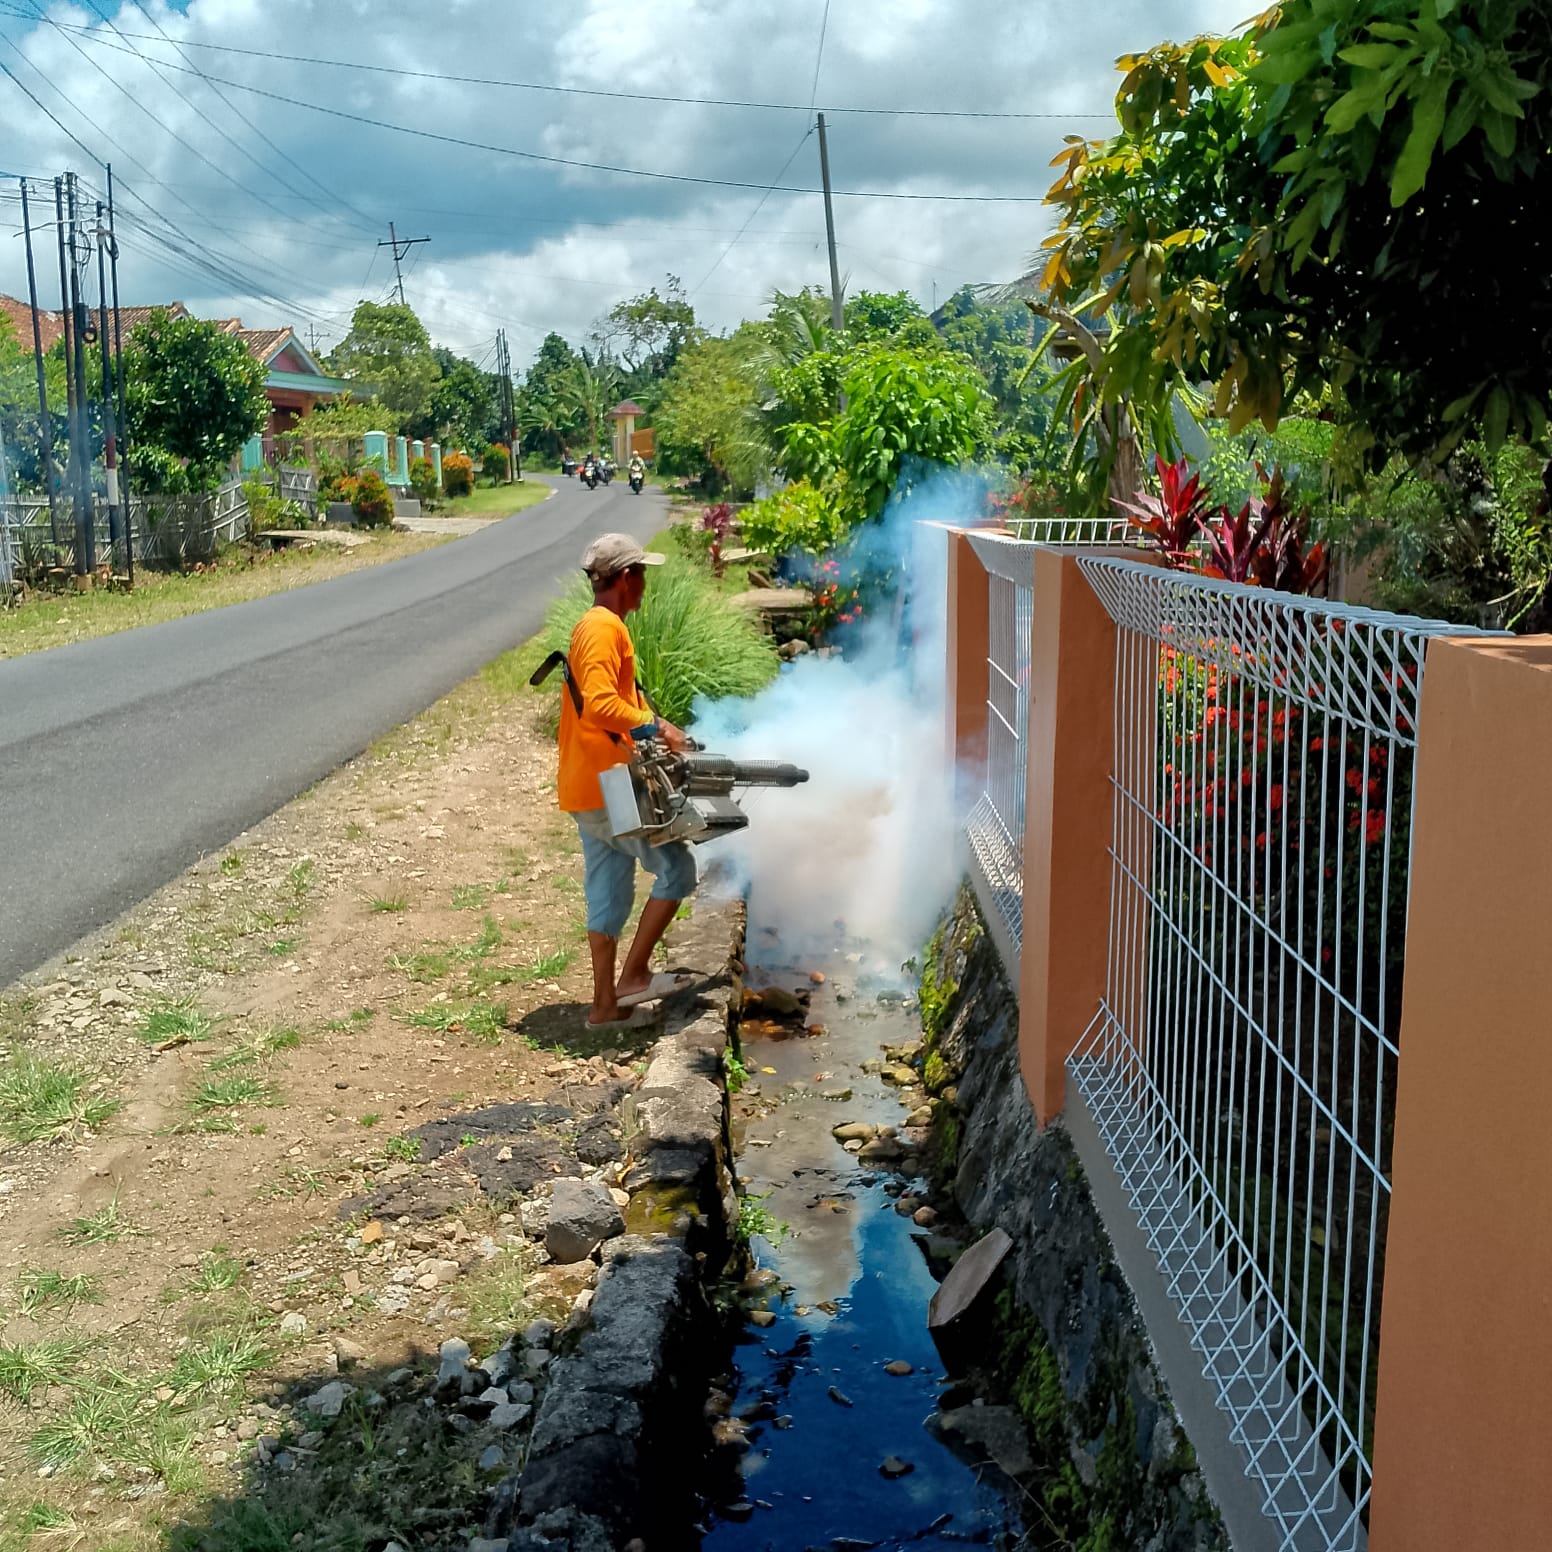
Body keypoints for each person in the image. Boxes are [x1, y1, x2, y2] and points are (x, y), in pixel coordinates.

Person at [557, 533, 697, 1029]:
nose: (645, 584)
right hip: (609, 787)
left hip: (588, 786)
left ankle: (604, 1007)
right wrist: (657, 726)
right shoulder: (602, 629)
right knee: (678, 869)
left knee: (608, 892)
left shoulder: (599, 626)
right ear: (623, 578)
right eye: (642, 574)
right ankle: (634, 975)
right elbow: (598, 704)